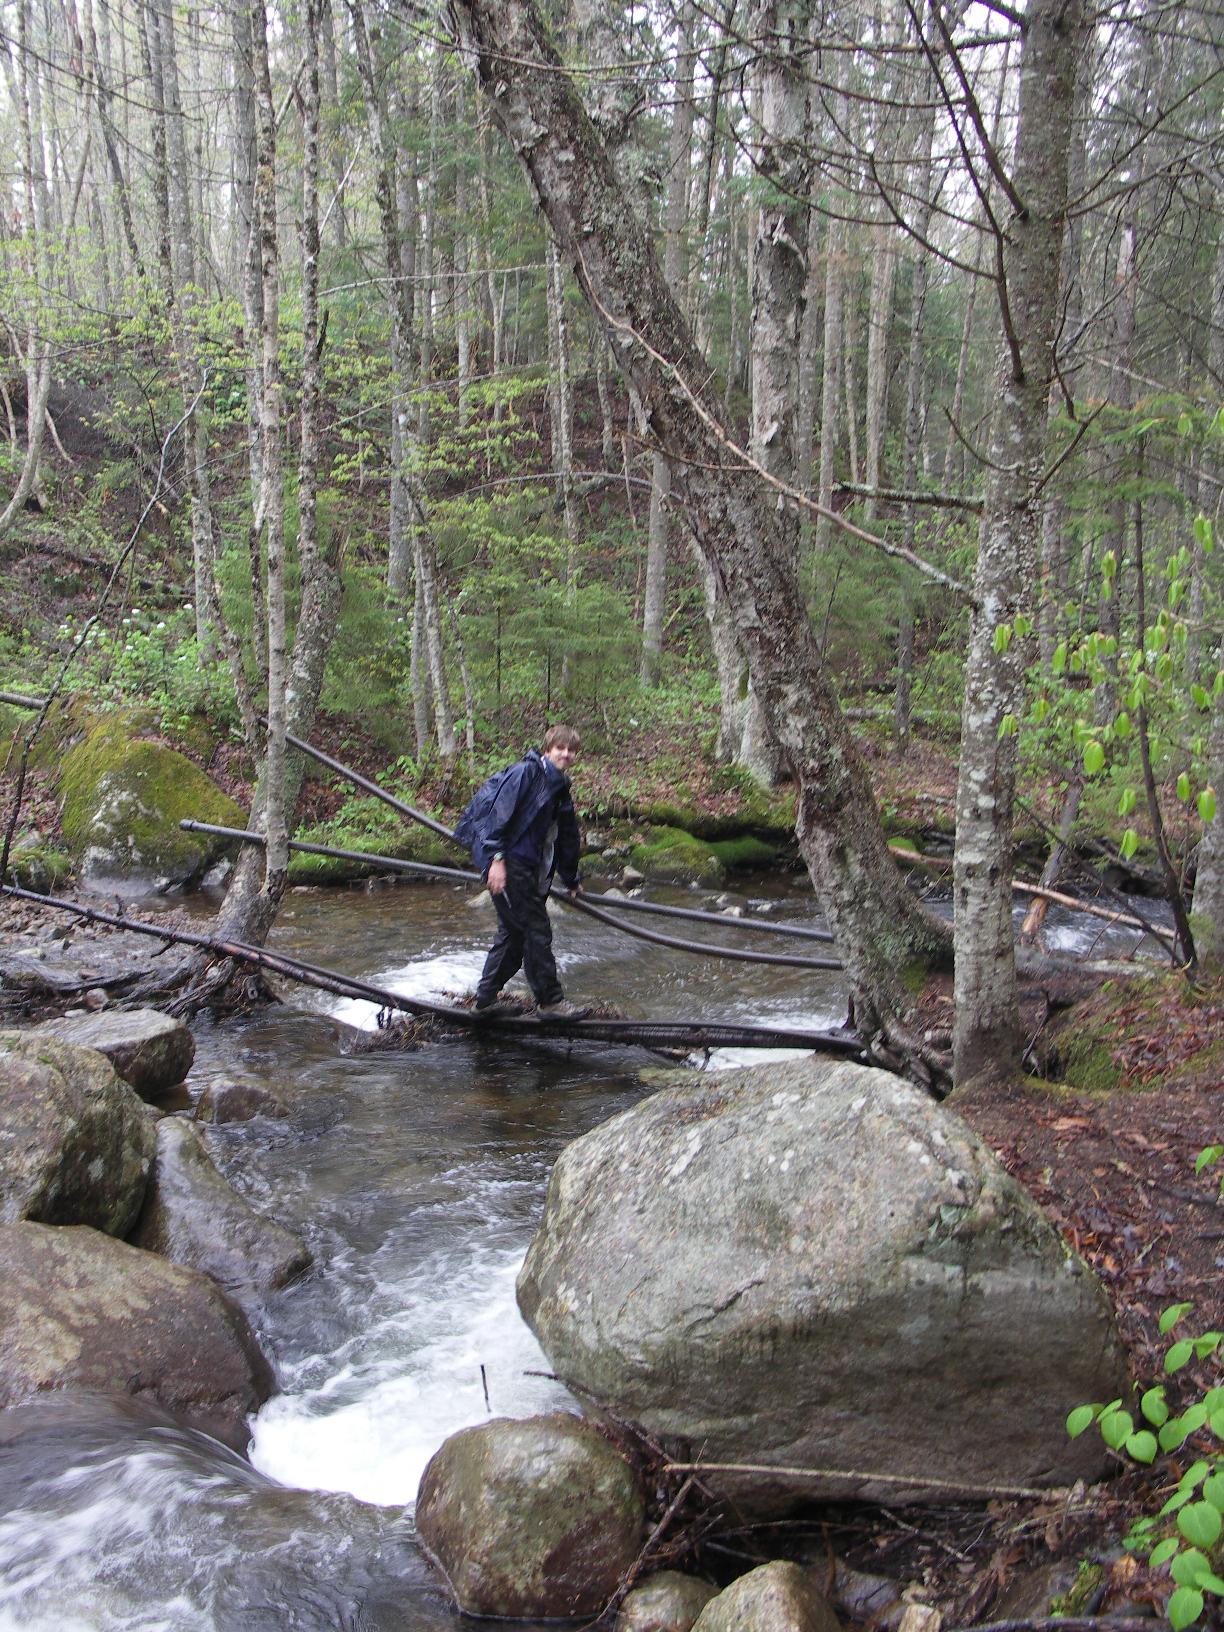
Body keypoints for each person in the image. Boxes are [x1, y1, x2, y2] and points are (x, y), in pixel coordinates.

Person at [470, 725, 590, 1021]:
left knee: (513, 934)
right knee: (536, 930)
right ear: (547, 750)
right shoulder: (526, 773)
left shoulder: (559, 786)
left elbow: (566, 836)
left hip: (529, 867)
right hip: (510, 863)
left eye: (571, 750)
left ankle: (485, 1002)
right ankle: (550, 1003)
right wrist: (496, 860)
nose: (566, 754)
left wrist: (571, 879)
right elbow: (497, 817)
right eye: (560, 748)